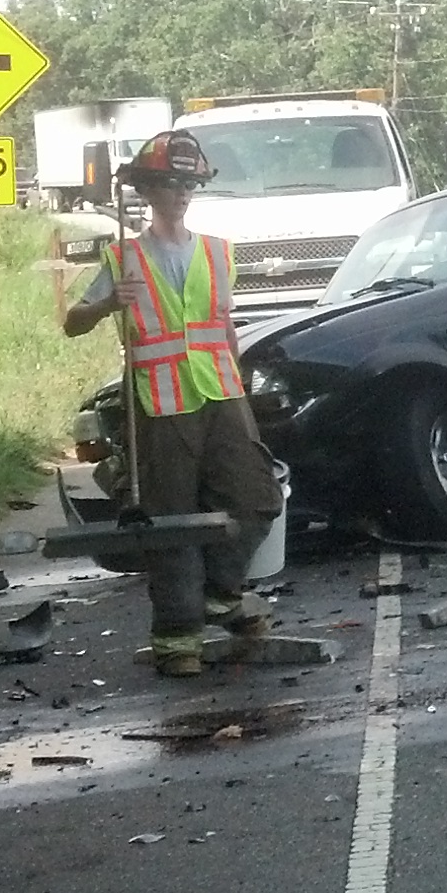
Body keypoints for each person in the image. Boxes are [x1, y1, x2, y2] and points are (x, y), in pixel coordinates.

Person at [62, 130, 286, 679]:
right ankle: (177, 639)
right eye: (169, 184)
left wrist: (242, 394)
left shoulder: (216, 252)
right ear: (146, 191)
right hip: (159, 401)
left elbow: (223, 326)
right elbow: (72, 323)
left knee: (257, 498)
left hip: (221, 392)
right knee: (170, 520)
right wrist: (107, 305)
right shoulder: (124, 257)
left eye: (188, 184)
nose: (181, 193)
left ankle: (218, 596)